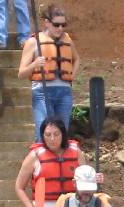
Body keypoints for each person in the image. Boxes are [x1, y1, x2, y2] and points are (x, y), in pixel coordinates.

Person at [18, 5, 80, 142]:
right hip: (42, 92)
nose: (60, 29)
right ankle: (41, 162)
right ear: (47, 22)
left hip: (64, 92)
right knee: (44, 134)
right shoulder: (33, 42)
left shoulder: (67, 40)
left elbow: (77, 60)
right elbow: (21, 73)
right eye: (56, 25)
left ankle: (59, 163)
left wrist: (71, 77)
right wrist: (34, 64)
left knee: (61, 135)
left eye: (63, 25)